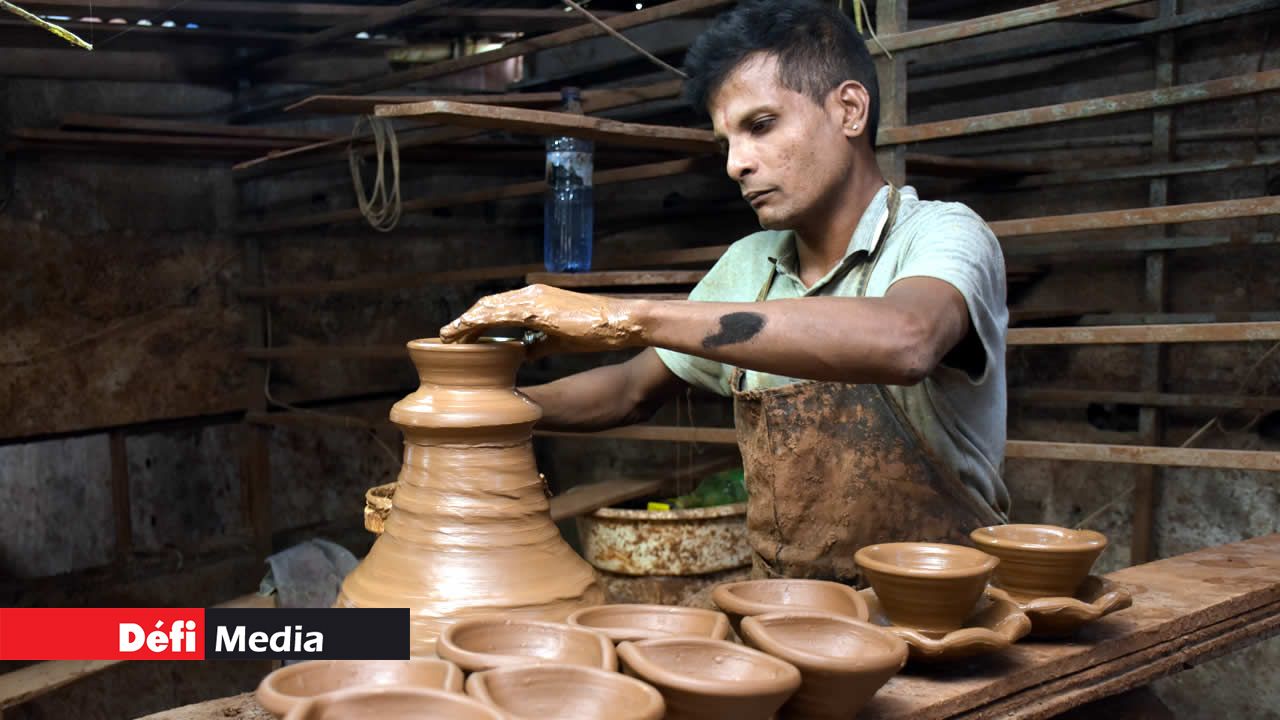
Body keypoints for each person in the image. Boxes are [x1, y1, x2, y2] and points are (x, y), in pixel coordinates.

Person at [440, 0, 1009, 584]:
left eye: (760, 126)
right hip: (790, 611)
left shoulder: (941, 235)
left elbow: (905, 341)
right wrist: (479, 408)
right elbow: (633, 389)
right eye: (725, 143)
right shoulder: (748, 265)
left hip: (943, 613)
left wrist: (619, 314)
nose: (736, 164)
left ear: (849, 110)